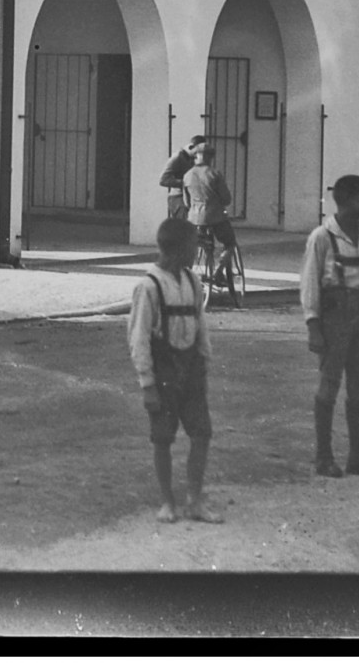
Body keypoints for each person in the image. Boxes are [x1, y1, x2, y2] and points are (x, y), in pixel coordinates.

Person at [301, 173, 359, 479]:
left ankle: (358, 455)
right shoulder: (322, 237)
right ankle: (323, 456)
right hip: (334, 317)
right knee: (329, 385)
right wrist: (313, 324)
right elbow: (310, 283)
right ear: (347, 200)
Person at [128, 214, 212, 523]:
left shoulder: (193, 281)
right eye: (193, 247)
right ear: (178, 249)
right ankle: (167, 501)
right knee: (162, 438)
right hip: (163, 371)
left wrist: (203, 361)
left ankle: (195, 500)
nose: (196, 253)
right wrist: (147, 383)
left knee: (202, 433)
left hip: (191, 369)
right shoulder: (148, 287)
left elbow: (201, 325)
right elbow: (138, 338)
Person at [184, 149, 238, 272]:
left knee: (197, 243)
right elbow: (226, 199)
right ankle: (219, 270)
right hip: (216, 217)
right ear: (210, 158)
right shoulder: (214, 173)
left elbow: (186, 202)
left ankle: (190, 272)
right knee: (230, 243)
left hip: (194, 219)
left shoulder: (187, 175)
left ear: (195, 158)